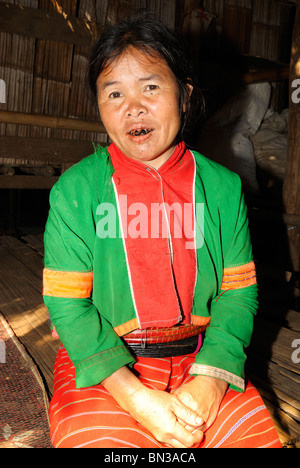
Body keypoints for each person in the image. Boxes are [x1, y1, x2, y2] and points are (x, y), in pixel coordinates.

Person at [43, 15, 282, 449]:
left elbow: (239, 293)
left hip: (204, 357)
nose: (133, 106)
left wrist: (209, 381)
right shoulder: (75, 191)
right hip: (106, 366)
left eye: (150, 87)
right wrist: (134, 398)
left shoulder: (224, 189)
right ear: (98, 105)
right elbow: (66, 303)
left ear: (185, 95)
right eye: (114, 93)